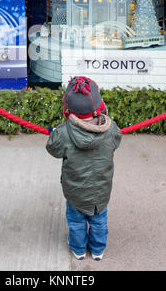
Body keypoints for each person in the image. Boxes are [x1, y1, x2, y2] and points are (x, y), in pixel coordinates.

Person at [46, 76, 122, 261]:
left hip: (75, 192)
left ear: (68, 109)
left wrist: (54, 133)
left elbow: (52, 148)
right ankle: (97, 250)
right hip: (101, 192)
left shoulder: (63, 132)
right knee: (99, 222)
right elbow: (116, 141)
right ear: (99, 105)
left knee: (76, 222)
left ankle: (79, 250)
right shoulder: (111, 130)